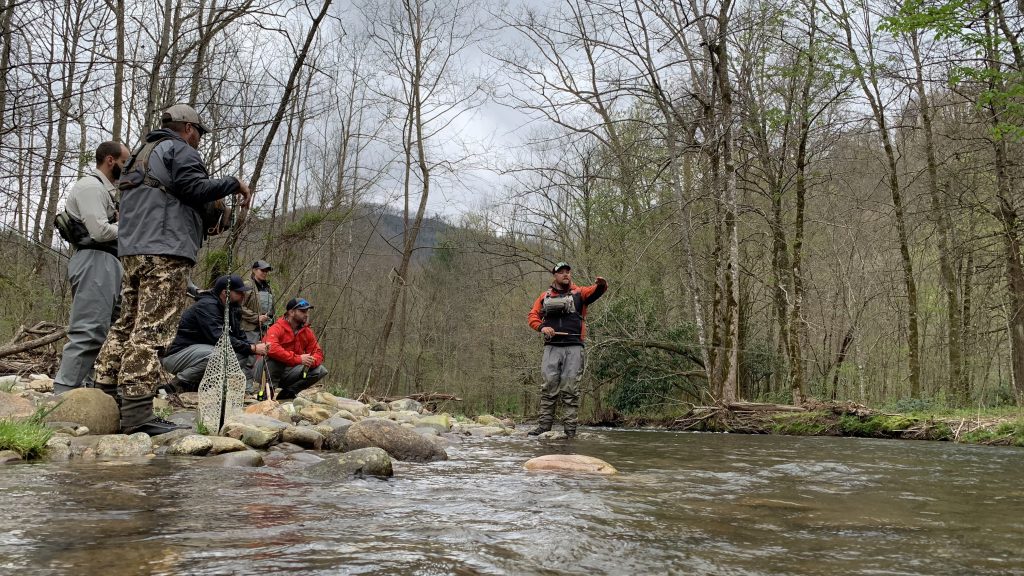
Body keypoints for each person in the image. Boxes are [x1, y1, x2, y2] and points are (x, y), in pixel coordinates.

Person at [92, 103, 252, 435]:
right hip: (166, 252)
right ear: (190, 130)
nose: (198, 141)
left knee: (125, 324)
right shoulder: (180, 150)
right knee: (152, 330)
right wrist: (234, 183)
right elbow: (196, 188)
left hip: (133, 251)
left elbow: (166, 196)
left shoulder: (140, 154)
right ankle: (137, 414)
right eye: (199, 135)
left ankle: (105, 397)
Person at [53, 141, 131, 395]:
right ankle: (64, 397)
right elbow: (99, 232)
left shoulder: (105, 191)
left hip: (108, 262)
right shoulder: (90, 187)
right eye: (123, 162)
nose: (126, 167)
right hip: (94, 260)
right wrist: (131, 227)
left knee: (110, 328)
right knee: (88, 329)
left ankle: (87, 391)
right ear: (110, 160)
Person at [526, 262, 608, 438]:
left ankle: (570, 432)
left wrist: (601, 285)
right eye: (561, 272)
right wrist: (541, 327)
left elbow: (596, 291)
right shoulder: (544, 296)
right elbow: (532, 316)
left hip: (574, 347)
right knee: (548, 387)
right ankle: (544, 428)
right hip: (551, 347)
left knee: (570, 389)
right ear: (554, 275)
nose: (565, 275)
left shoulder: (580, 293)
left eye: (568, 272)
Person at [161, 275, 270, 391]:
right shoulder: (207, 306)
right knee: (221, 355)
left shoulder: (231, 308)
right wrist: (253, 348)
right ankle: (179, 383)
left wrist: (254, 347)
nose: (243, 295)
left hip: (200, 353)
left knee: (242, 355)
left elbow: (240, 336)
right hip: (176, 356)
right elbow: (220, 339)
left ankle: (201, 385)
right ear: (225, 292)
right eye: (239, 292)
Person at [257, 297, 327, 400]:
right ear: (291, 312)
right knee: (275, 359)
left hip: (289, 372)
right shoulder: (277, 328)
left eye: (307, 311)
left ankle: (288, 394)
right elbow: (271, 348)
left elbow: (318, 352)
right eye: (302, 311)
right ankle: (266, 394)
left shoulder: (307, 331)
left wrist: (311, 361)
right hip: (264, 371)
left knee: (320, 370)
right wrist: (299, 359)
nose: (306, 314)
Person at [240, 260, 274, 385]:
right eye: (262, 270)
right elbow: (239, 307)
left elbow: (271, 309)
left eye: (266, 271)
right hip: (249, 328)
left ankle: (258, 385)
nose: (265, 273)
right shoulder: (247, 286)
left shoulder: (268, 287)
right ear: (254, 270)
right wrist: (256, 317)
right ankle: (245, 386)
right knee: (249, 357)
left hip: (265, 328)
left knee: (263, 357)